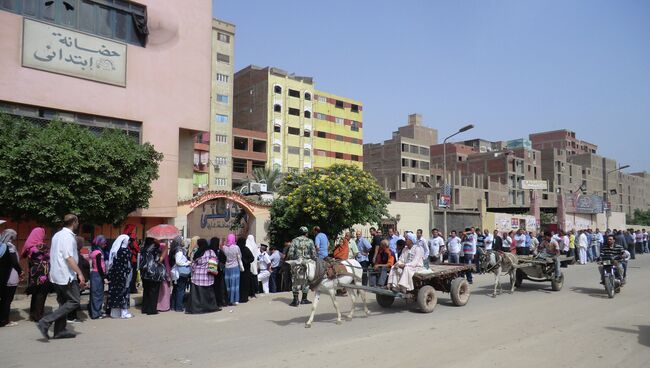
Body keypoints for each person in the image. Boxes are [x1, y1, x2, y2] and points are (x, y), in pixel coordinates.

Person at [37, 215, 85, 339]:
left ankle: (59, 331)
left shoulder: (57, 235)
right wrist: (80, 273)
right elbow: (68, 257)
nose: (78, 224)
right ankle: (46, 321)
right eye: (77, 221)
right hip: (65, 275)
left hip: (56, 275)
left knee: (63, 302)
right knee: (74, 301)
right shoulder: (68, 237)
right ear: (74, 222)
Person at [22, 227, 51, 322]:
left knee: (35, 294)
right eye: (43, 234)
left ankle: (33, 315)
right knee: (41, 295)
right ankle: (39, 316)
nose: (44, 236)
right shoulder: (40, 246)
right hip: (42, 274)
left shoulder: (30, 247)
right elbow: (49, 257)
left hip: (34, 274)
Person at [286, 226, 317, 306]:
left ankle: (295, 300)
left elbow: (290, 253)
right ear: (306, 233)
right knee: (306, 280)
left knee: (295, 280)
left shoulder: (294, 241)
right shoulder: (310, 241)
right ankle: (304, 299)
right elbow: (313, 254)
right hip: (307, 263)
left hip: (297, 262)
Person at [188, 238, 219, 314]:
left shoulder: (197, 253)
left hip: (197, 277)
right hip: (208, 276)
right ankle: (210, 308)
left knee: (197, 295)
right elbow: (215, 261)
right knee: (208, 294)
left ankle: (197, 309)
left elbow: (193, 265)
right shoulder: (210, 252)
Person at [1, 229, 23, 328]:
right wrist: (21, 271)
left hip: (3, 276)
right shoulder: (10, 246)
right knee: (7, 299)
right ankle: (5, 321)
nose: (15, 237)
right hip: (10, 275)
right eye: (14, 235)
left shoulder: (1, 245)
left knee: (3, 299)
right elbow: (14, 262)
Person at [107, 234, 133, 319]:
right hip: (123, 276)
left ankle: (114, 313)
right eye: (128, 240)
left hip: (115, 275)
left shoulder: (115, 250)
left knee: (115, 293)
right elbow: (127, 264)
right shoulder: (126, 251)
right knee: (124, 293)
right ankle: (124, 312)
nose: (129, 242)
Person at [140, 238, 162, 315]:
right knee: (154, 291)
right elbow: (158, 260)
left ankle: (145, 308)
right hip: (153, 272)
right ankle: (151, 309)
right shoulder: (156, 248)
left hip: (144, 272)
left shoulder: (142, 248)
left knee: (146, 290)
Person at [89, 236, 109, 319]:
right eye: (104, 243)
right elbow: (99, 266)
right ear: (100, 243)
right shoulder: (98, 253)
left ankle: (96, 312)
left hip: (95, 274)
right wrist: (104, 277)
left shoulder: (94, 251)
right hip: (98, 274)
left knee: (95, 293)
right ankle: (96, 314)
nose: (105, 244)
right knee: (98, 294)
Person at [171, 236, 191, 312]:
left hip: (175, 272)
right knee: (180, 290)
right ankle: (179, 307)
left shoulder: (174, 249)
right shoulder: (179, 250)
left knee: (176, 290)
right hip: (180, 273)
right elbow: (178, 261)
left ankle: (173, 306)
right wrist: (187, 263)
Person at [222, 234, 242, 306]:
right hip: (235, 267)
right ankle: (235, 299)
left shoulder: (224, 248)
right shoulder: (236, 247)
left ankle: (229, 299)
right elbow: (239, 256)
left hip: (227, 268)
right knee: (235, 284)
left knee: (228, 285)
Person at [209, 237, 227, 307]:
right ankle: (219, 302)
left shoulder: (209, 251)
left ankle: (213, 302)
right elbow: (224, 259)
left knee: (212, 288)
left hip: (210, 272)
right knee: (219, 288)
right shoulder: (218, 251)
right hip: (218, 272)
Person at [122, 224, 140, 294]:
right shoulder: (132, 236)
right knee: (133, 274)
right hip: (133, 258)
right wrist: (138, 249)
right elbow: (135, 247)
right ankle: (132, 288)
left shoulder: (123, 235)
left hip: (126, 257)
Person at [238, 237, 255, 303]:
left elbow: (252, 258)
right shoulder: (245, 249)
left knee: (241, 284)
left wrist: (245, 261)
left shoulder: (239, 249)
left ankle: (241, 298)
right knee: (245, 284)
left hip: (241, 269)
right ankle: (244, 298)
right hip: (245, 269)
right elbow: (252, 258)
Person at [156, 242, 171, 312]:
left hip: (157, 272)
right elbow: (167, 263)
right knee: (165, 290)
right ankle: (165, 306)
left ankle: (158, 305)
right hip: (164, 272)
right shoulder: (164, 252)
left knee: (159, 290)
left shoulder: (157, 251)